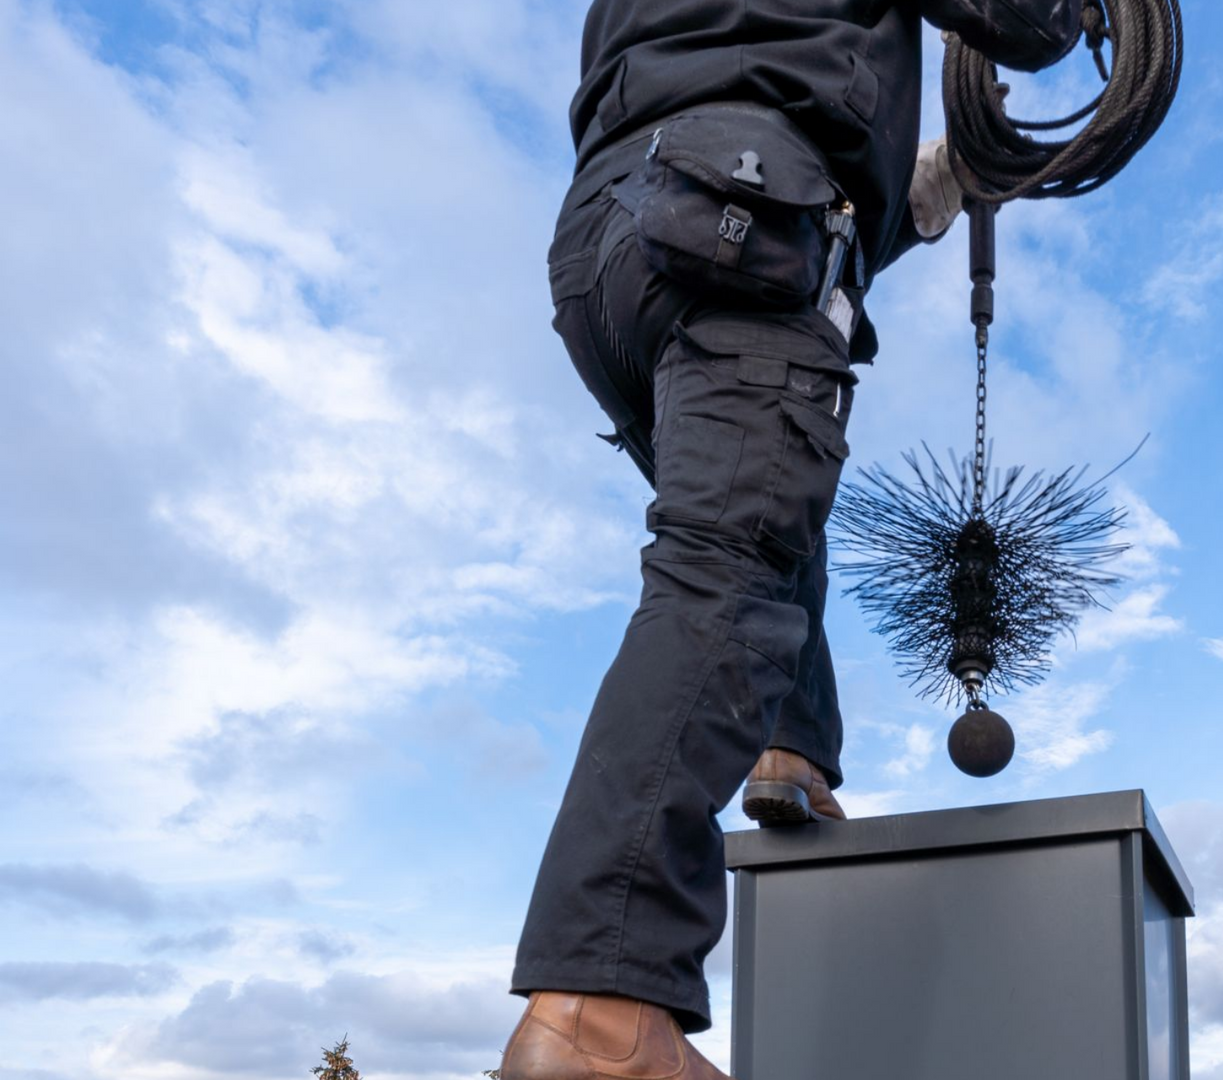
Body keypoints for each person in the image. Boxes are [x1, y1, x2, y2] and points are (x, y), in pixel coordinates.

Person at [500, 2, 1082, 1076]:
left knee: (764, 511)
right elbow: (1027, 22)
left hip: (609, 251)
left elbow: (763, 97)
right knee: (729, 568)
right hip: (735, 207)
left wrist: (944, 176)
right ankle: (599, 1012)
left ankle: (793, 750)